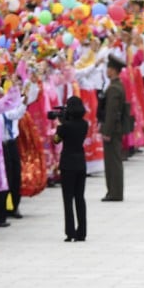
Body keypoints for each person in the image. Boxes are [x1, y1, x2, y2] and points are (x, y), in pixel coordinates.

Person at [54, 97, 88, 241]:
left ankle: (70, 232)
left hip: (68, 163)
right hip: (81, 162)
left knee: (68, 199)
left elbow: (56, 140)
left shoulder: (65, 127)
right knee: (80, 198)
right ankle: (82, 232)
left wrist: (59, 125)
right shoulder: (85, 124)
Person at [100, 55, 127, 202]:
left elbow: (111, 113)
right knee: (113, 161)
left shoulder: (114, 89)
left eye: (108, 69)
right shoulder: (116, 86)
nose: (107, 71)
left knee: (113, 162)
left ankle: (115, 192)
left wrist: (107, 131)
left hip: (113, 130)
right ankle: (113, 191)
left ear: (113, 70)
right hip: (116, 129)